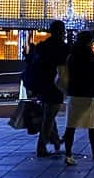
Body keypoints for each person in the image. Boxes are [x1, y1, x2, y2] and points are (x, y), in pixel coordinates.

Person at [28, 20, 69, 158]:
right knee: (49, 116)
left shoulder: (43, 46)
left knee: (49, 114)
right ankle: (41, 147)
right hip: (55, 85)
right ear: (61, 31)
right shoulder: (62, 47)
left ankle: (56, 141)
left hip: (42, 85)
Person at [63, 31, 94, 166]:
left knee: (71, 125)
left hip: (74, 94)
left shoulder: (71, 57)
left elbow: (66, 75)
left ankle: (68, 154)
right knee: (92, 125)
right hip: (88, 94)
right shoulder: (91, 57)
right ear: (88, 42)